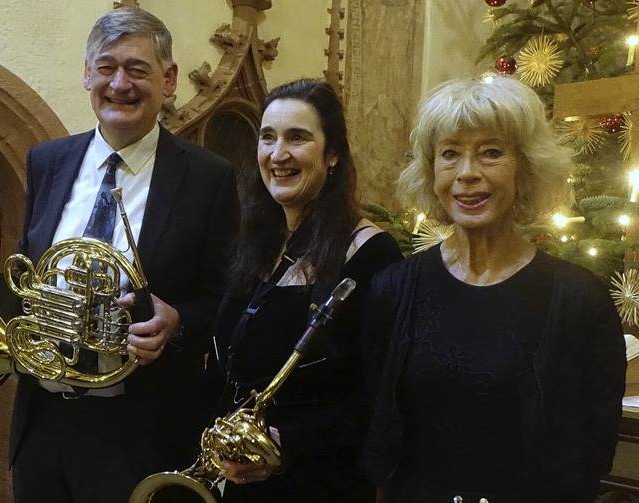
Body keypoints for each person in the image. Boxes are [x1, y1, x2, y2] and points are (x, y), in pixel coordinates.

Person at [10, 7, 238, 503]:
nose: (120, 84)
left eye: (137, 69)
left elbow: (225, 303)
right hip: (42, 423)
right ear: (87, 73)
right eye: (107, 67)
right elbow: (29, 274)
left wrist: (178, 322)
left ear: (169, 79)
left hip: (138, 431)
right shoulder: (47, 161)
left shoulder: (208, 178)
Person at [362, 76, 627, 503]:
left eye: (491, 152)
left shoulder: (580, 300)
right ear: (431, 171)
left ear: (525, 167)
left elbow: (592, 451)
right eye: (450, 154)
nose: (467, 173)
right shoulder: (393, 289)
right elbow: (376, 430)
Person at [206, 78, 403, 503]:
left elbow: (380, 397)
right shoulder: (258, 242)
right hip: (242, 480)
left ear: (332, 154)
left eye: (298, 138)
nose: (278, 155)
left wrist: (285, 442)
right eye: (268, 137)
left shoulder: (372, 254)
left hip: (319, 485)